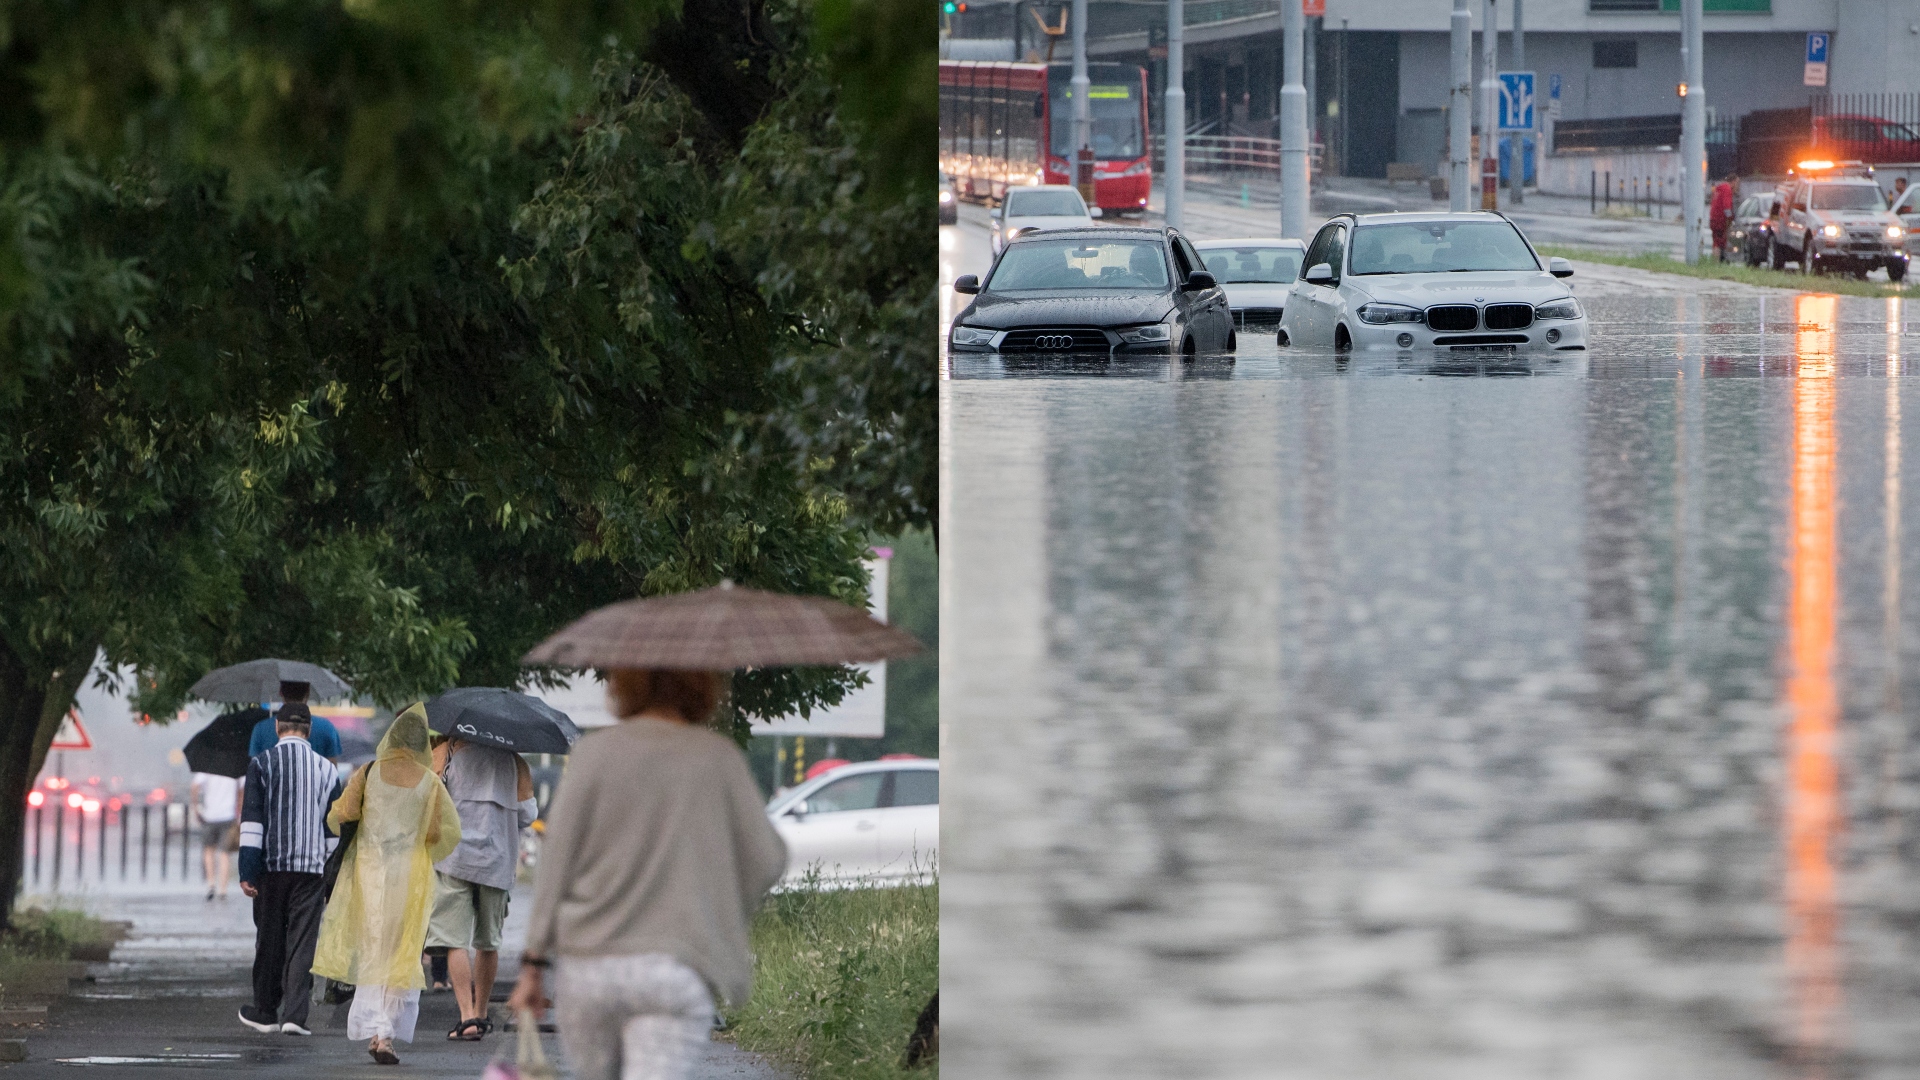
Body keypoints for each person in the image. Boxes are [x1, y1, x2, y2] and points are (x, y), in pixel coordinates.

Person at [507, 669, 787, 1080]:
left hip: (590, 968)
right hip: (675, 968)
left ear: (624, 683)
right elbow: (767, 858)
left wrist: (533, 964)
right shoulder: (717, 757)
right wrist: (716, 909)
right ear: (704, 686)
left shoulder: (594, 753)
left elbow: (556, 864)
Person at [312, 705, 462, 1065]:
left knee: (373, 948)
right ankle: (386, 1034)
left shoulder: (369, 772)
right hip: (410, 877)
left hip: (368, 873)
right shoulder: (431, 783)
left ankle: (376, 1026)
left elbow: (341, 814)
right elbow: (439, 834)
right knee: (403, 950)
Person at [237, 702, 344, 1036]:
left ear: (278, 727)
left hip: (270, 867)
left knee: (269, 937)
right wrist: (327, 871)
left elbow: (252, 821)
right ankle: (296, 1017)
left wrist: (247, 870)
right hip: (310, 870)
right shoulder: (328, 771)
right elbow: (333, 829)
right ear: (309, 730)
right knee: (302, 942)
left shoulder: (261, 764)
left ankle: (266, 1010)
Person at [426, 733, 537, 1040]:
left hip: (453, 858)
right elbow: (528, 815)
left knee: (454, 939)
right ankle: (482, 1011)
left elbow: (427, 800)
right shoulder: (514, 761)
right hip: (496, 859)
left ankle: (466, 1017)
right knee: (488, 941)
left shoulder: (444, 752)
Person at [248, 681, 343, 760]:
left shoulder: (260, 729)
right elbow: (333, 774)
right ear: (308, 692)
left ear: (280, 692)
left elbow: (255, 771)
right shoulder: (327, 728)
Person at [191, 771, 240, 900]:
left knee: (208, 850)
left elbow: (195, 786)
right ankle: (223, 889)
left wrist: (196, 807)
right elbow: (242, 790)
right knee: (224, 853)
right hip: (228, 816)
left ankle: (211, 884)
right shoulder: (235, 768)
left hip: (209, 815)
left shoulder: (207, 768)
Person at [1710, 174, 1736, 262]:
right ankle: (1717, 263)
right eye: (1737, 183)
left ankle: (1715, 262)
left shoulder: (1719, 188)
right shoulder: (1727, 189)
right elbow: (1727, 207)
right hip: (1720, 221)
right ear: (1733, 182)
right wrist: (1729, 220)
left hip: (1713, 219)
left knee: (1716, 242)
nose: (1737, 186)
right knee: (1720, 242)